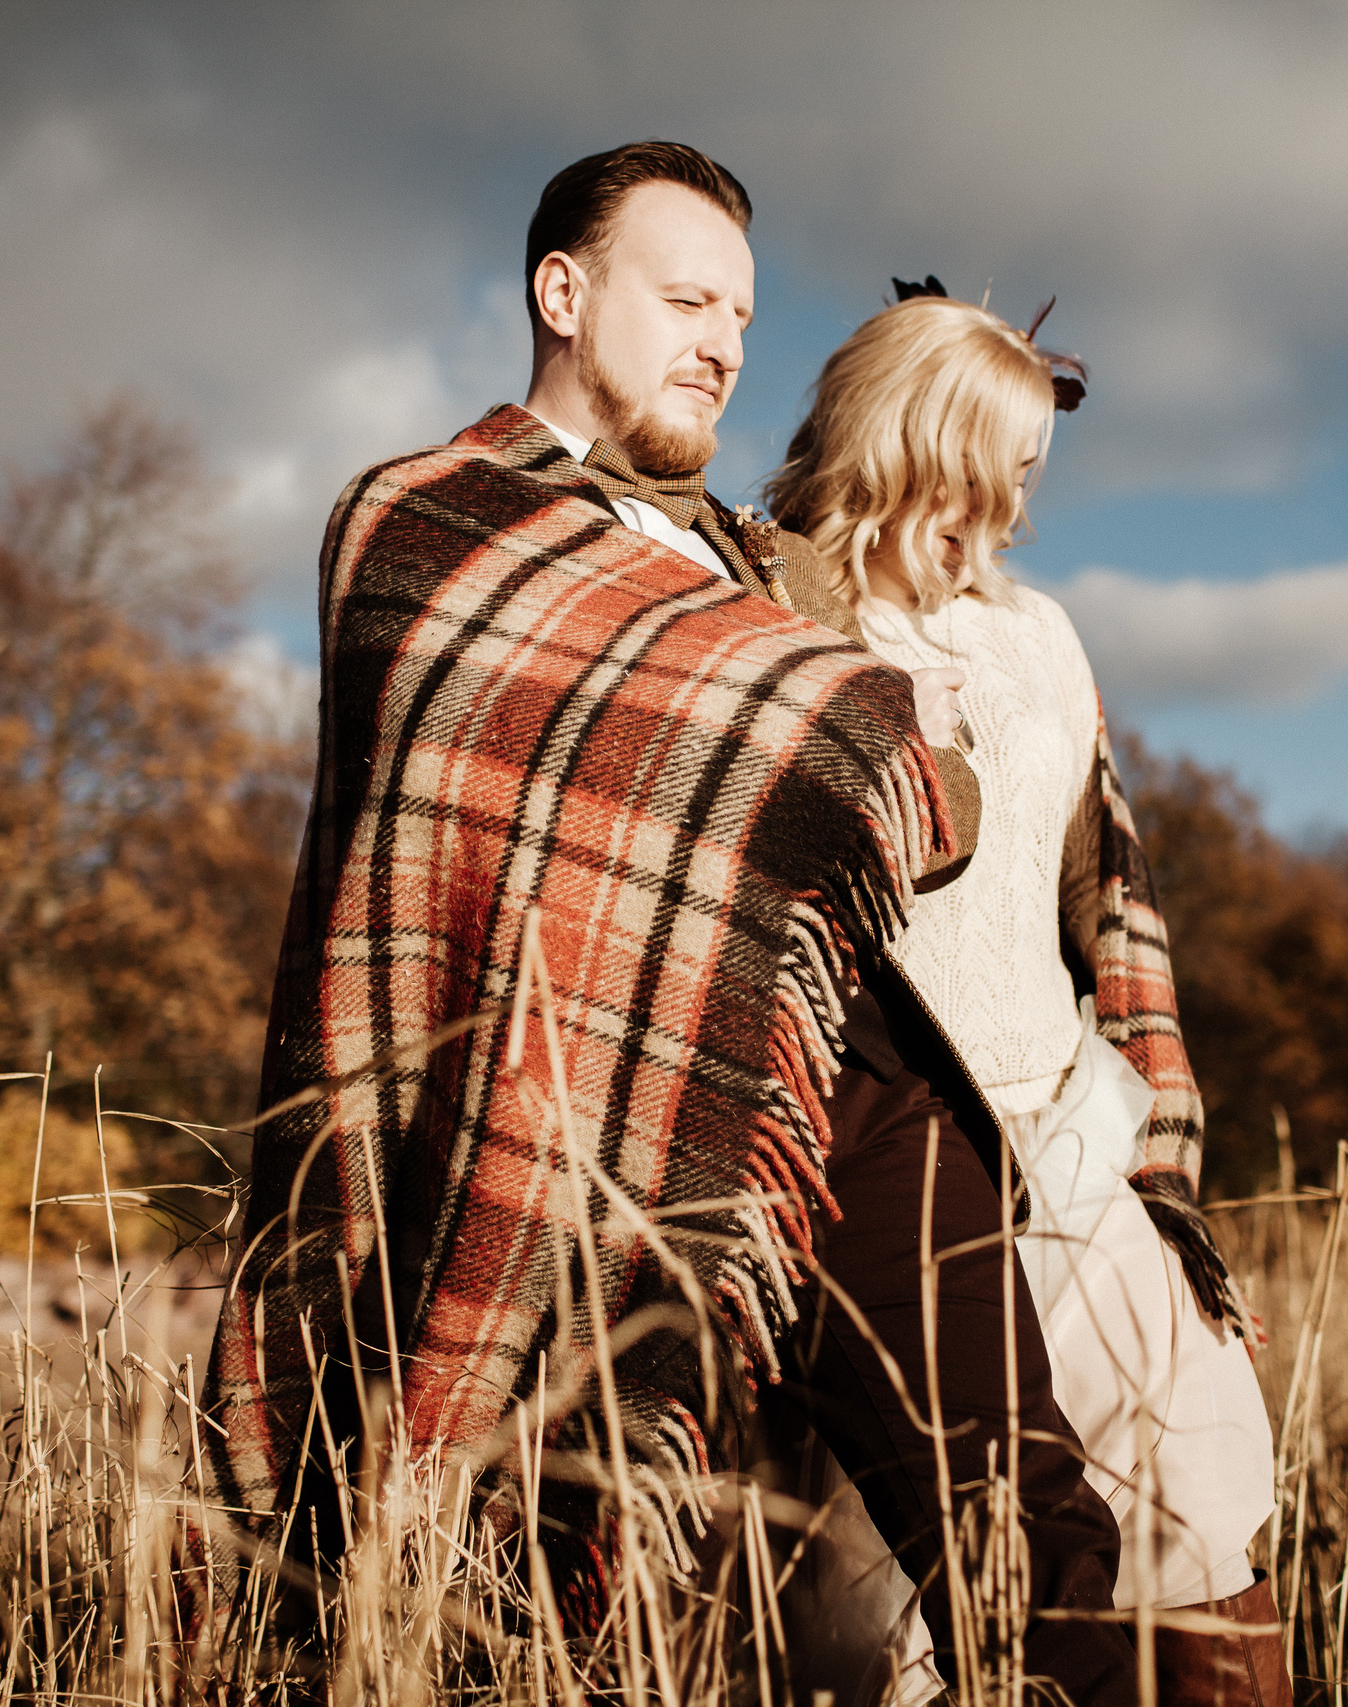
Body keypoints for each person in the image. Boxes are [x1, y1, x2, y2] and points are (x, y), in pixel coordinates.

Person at [202, 143, 1146, 1702]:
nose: (722, 341)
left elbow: (923, 778)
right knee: (584, 1571)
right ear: (562, 295)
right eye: (686, 298)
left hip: (842, 1096)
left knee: (1030, 1536)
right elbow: (848, 738)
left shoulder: (757, 565)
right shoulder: (429, 519)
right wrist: (861, 734)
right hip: (569, 1119)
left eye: (744, 317)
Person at [761, 285, 1289, 1705]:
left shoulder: (1043, 635)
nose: (1014, 497)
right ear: (913, 434)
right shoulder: (763, 612)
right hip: (891, 1172)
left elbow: (1099, 888)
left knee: (1208, 1548)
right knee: (919, 1620)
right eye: (995, 457)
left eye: (1033, 467)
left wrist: (1158, 1138)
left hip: (1080, 1152)